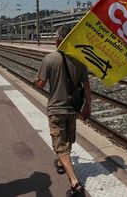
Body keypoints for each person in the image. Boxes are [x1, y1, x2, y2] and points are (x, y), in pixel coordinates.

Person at [35, 26, 91, 197]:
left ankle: (75, 184)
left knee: (61, 146)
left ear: (58, 41)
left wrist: (36, 80)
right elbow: (87, 87)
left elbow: (40, 84)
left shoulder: (50, 59)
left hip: (56, 109)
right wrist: (88, 106)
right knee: (68, 139)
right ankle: (61, 164)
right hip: (72, 109)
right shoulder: (80, 60)